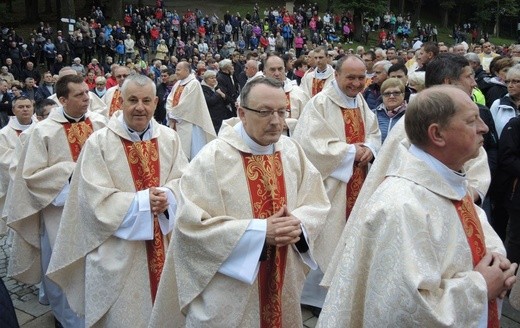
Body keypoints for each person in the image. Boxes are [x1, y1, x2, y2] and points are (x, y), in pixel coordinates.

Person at [317, 85, 517, 327]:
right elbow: (403, 311)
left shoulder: (447, 179)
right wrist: (480, 287)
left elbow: (475, 231)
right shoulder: (401, 205)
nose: (484, 127)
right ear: (438, 135)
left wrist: (498, 262)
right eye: (472, 120)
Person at [150, 77, 330, 327]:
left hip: (282, 281)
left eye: (281, 111)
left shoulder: (291, 151)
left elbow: (316, 202)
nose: (276, 121)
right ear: (242, 113)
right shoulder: (212, 159)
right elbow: (190, 228)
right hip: (229, 295)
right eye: (265, 112)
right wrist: (259, 232)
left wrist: (298, 226)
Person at [46, 74, 188, 327]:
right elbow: (91, 200)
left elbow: (184, 182)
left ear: (156, 102)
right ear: (120, 101)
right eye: (132, 100)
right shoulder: (99, 143)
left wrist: (169, 195)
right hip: (120, 253)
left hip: (165, 245)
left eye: (146, 100)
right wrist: (143, 202)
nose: (139, 107)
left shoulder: (169, 138)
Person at [6, 74, 107, 327]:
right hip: (58, 212)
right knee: (62, 267)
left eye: (87, 93)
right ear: (62, 100)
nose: (87, 98)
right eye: (79, 95)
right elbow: (30, 176)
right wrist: (68, 172)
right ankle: (67, 320)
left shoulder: (99, 125)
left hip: (96, 209)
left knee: (95, 264)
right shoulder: (42, 132)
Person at [292, 55, 381, 310]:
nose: (356, 83)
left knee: (352, 236)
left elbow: (374, 133)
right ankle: (314, 297)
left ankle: (345, 291)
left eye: (361, 77)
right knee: (327, 237)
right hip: (331, 186)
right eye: (350, 77)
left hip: (359, 182)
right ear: (337, 76)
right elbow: (310, 145)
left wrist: (370, 150)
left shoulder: (360, 102)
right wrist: (354, 152)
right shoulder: (319, 104)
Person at [166, 61, 216, 160]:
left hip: (189, 122)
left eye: (178, 70)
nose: (176, 72)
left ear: (186, 70)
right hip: (177, 121)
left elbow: (188, 104)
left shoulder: (194, 83)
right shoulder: (178, 84)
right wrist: (170, 112)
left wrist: (173, 113)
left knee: (192, 152)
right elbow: (170, 99)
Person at [0, 97, 36, 234]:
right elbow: (3, 158)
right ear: (13, 111)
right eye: (20, 107)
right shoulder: (4, 134)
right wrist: (28, 159)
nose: (25, 109)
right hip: (14, 182)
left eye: (28, 106)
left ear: (33, 108)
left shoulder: (42, 129)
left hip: (36, 177)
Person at [263, 54, 309, 135]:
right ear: (265, 72)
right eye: (272, 70)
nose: (277, 73)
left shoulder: (298, 93)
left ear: (285, 70)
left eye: (280, 69)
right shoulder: (256, 93)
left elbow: (308, 121)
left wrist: (290, 124)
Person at [374, 78, 407, 143]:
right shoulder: (373, 114)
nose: (391, 96)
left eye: (396, 93)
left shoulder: (411, 115)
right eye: (387, 93)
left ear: (403, 95)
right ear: (382, 96)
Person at [201, 70, 232, 134]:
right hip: (213, 119)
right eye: (211, 78)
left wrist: (224, 96)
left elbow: (228, 100)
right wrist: (218, 93)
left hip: (222, 116)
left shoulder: (217, 87)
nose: (214, 80)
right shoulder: (203, 89)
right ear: (206, 79)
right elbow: (210, 101)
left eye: (215, 78)